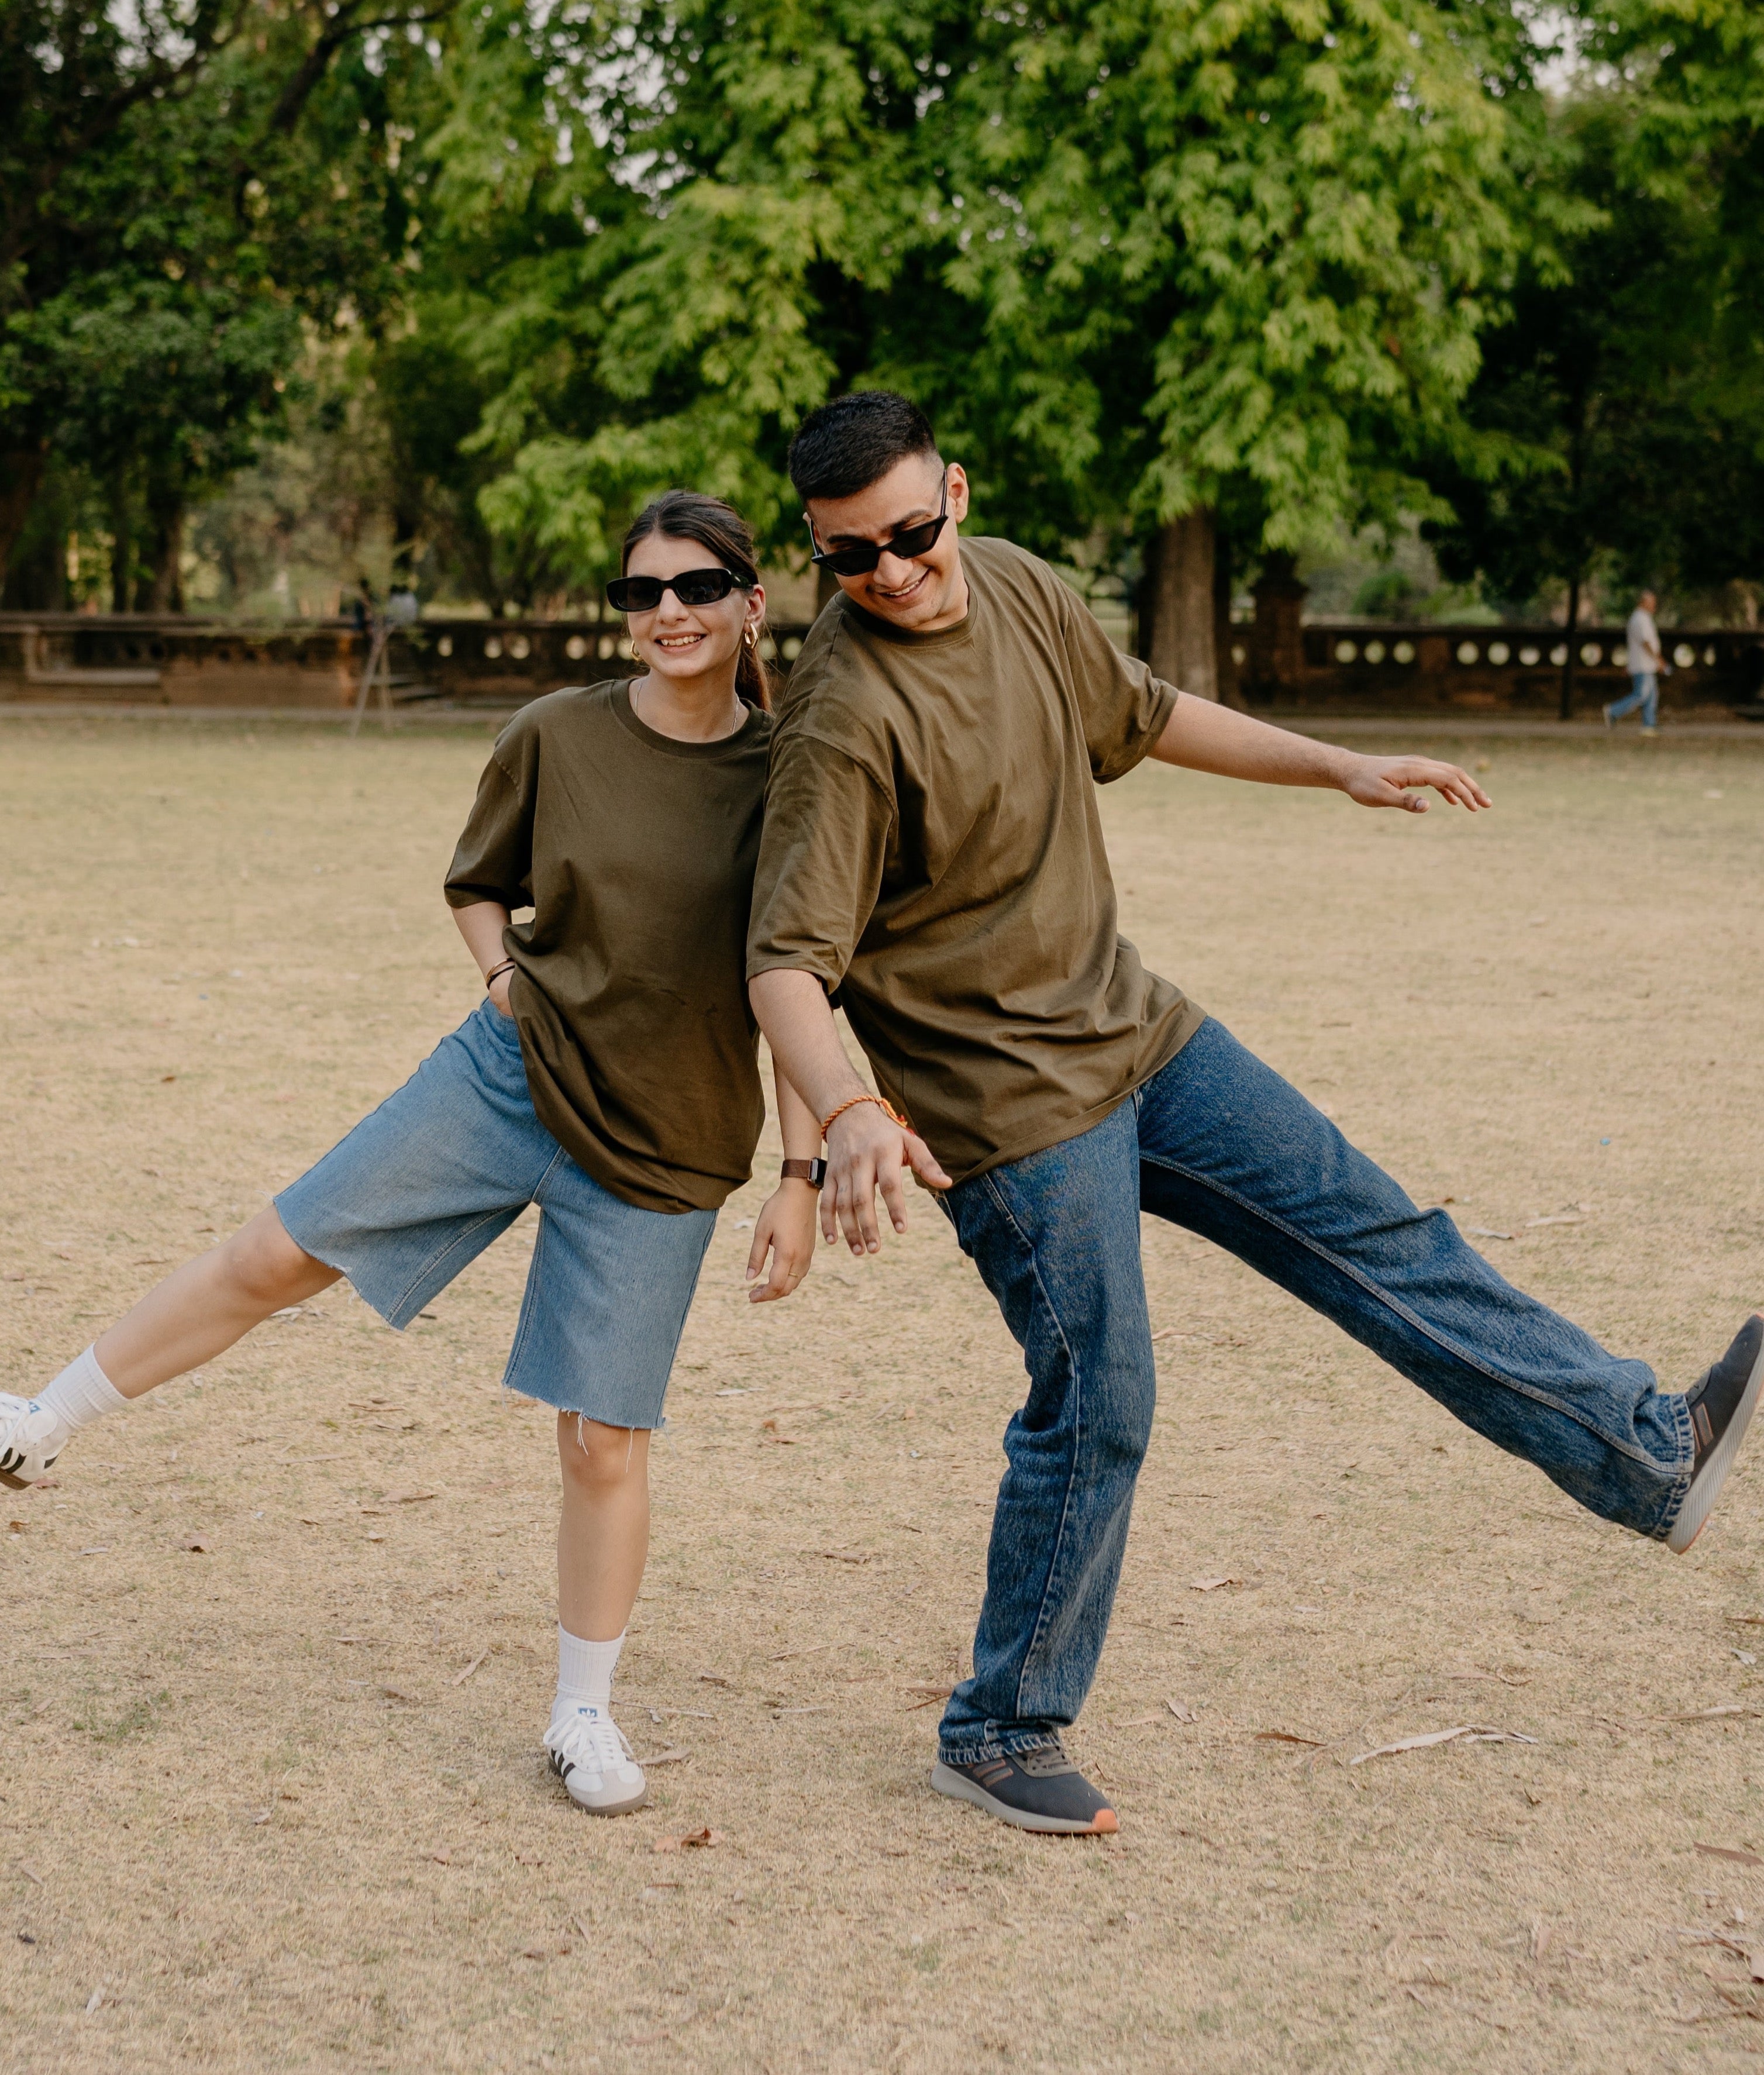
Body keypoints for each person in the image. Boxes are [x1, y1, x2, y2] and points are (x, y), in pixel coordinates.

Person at [746, 390, 1763, 1838]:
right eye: (851, 556)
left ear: (953, 494)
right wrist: (844, 1107)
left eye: (909, 534)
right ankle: (996, 1725)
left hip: (1136, 1030)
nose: (891, 572)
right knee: (1099, 1395)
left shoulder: (1023, 584)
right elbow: (782, 959)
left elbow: (1147, 715)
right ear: (817, 551)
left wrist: (1334, 763)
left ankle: (1644, 1450)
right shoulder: (840, 716)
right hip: (1012, 1110)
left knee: (1377, 1227)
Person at [2, 491, 825, 1818]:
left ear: (749, 601)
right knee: (280, 1251)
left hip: (665, 1141)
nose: (664, 611)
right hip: (508, 1075)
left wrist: (802, 1174)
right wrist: (502, 973)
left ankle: (580, 1710)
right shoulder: (552, 733)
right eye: (639, 591)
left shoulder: (793, 777)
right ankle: (43, 1419)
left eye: (695, 584)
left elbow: (797, 977)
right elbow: (477, 877)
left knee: (602, 1440)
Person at [1605, 590, 1664, 733]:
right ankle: (1613, 711)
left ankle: (1649, 725)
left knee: (1652, 695)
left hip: (1647, 664)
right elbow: (1646, 642)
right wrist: (1658, 659)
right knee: (1641, 695)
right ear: (1644, 603)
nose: (1654, 606)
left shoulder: (1644, 618)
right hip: (1642, 664)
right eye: (1652, 603)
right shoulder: (1639, 619)